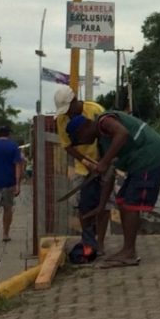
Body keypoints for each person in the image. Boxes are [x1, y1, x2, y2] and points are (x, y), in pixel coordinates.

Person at [66, 110, 160, 268]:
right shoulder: (103, 144)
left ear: (85, 128)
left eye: (80, 138)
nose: (82, 143)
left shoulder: (104, 121)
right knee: (122, 200)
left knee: (131, 203)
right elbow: (109, 175)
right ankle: (127, 250)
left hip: (151, 158)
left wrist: (103, 162)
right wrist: (101, 205)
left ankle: (129, 253)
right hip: (139, 163)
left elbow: (122, 134)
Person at [54, 85, 110, 254]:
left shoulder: (95, 110)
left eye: (69, 109)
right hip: (83, 167)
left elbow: (107, 137)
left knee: (104, 203)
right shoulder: (62, 120)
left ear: (75, 101)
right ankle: (87, 241)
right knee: (82, 205)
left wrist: (103, 162)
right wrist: (86, 162)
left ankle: (100, 243)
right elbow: (67, 145)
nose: (68, 114)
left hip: (103, 163)